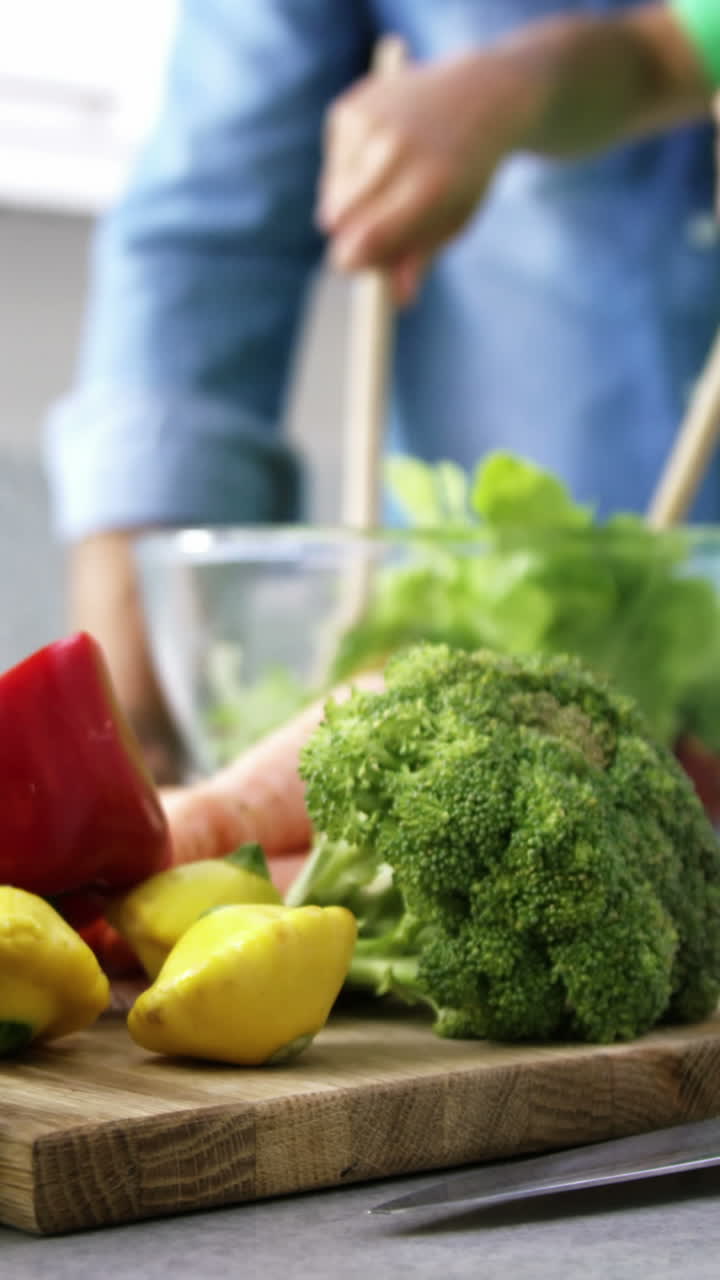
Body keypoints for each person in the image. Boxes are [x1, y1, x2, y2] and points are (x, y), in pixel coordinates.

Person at [44, 1, 720, 782]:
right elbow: (210, 234)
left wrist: (523, 85)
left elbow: (664, 55)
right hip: (467, 651)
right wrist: (133, 660)